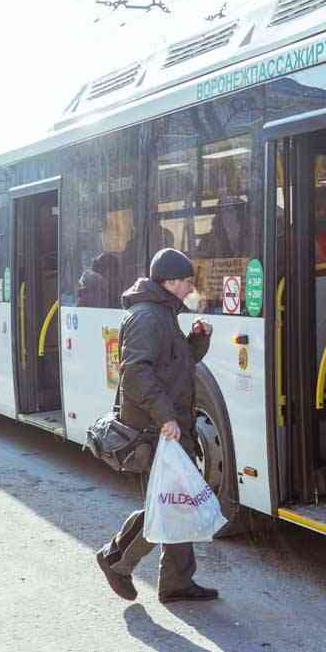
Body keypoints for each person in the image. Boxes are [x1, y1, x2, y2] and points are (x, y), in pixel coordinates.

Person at [96, 248, 217, 603]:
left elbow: (174, 367)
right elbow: (135, 374)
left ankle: (177, 581)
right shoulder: (147, 317)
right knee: (169, 502)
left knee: (178, 500)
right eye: (186, 282)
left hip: (170, 424)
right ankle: (115, 559)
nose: (189, 288)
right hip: (156, 428)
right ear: (169, 282)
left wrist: (197, 342)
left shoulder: (163, 313)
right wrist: (165, 417)